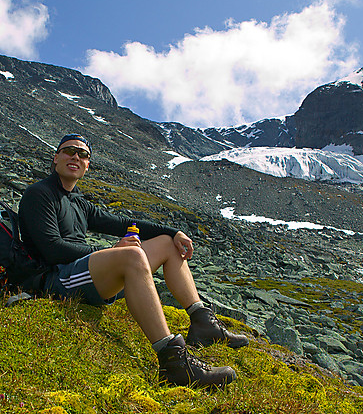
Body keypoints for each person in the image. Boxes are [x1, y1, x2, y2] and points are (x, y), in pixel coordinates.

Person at [18, 134, 249, 388]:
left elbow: (125, 224)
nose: (75, 157)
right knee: (131, 254)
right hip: (56, 279)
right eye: (69, 151)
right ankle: (174, 363)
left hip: (84, 275)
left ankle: (204, 323)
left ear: (87, 165)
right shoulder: (39, 194)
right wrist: (108, 252)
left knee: (164, 243)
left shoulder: (79, 204)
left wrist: (173, 232)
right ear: (56, 158)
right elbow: (51, 250)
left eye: (83, 154)